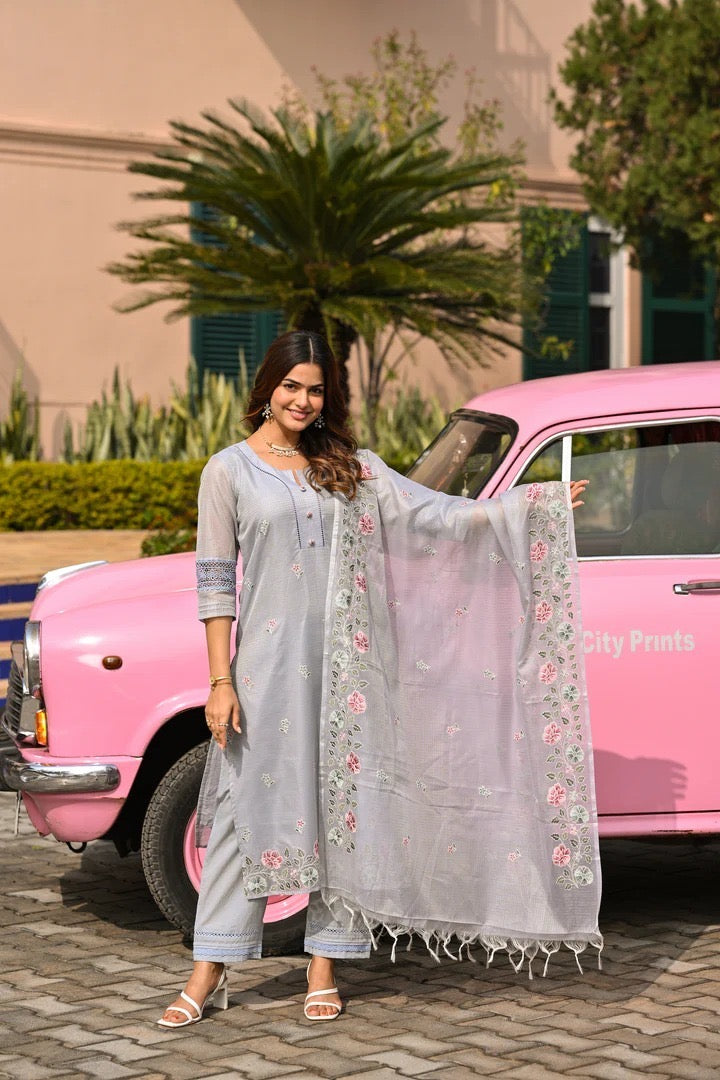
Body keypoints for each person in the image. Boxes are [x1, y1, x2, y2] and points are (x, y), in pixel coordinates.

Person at [158, 330, 596, 1029]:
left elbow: (434, 514)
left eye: (316, 390)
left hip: (352, 669)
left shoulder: (351, 467)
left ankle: (324, 965)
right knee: (247, 814)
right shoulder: (229, 471)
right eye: (292, 386)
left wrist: (530, 508)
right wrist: (220, 680)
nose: (303, 401)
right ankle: (210, 967)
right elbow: (215, 583)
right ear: (267, 387)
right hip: (267, 669)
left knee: (344, 813)